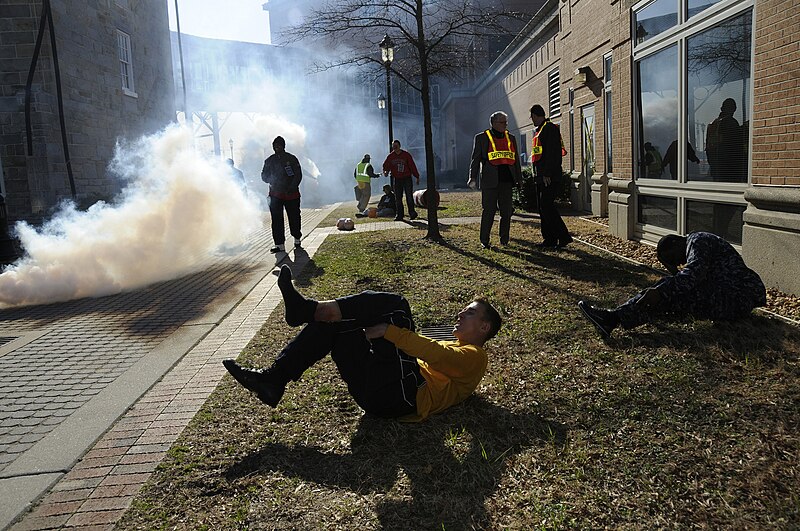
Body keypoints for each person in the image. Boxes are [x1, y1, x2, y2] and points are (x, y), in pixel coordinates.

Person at [223, 265, 502, 421]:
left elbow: (434, 353)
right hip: (377, 395)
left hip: (405, 398)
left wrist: (387, 330)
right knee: (332, 328)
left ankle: (309, 310)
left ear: (484, 327)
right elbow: (423, 349)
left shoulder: (477, 357)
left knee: (398, 306)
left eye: (471, 312)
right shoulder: (456, 347)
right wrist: (367, 331)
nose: (461, 314)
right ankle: (274, 380)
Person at [578, 232, 766, 339]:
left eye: (672, 258)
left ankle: (612, 318)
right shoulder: (696, 244)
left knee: (666, 291)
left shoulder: (697, 240)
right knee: (669, 295)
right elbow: (688, 282)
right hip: (729, 296)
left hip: (737, 296)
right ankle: (613, 318)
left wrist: (661, 291)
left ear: (677, 242)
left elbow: (693, 275)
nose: (676, 263)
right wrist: (669, 275)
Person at [467, 111, 523, 249]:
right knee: (488, 211)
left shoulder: (511, 138)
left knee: (506, 212)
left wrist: (519, 179)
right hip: (490, 181)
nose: (505, 125)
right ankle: (484, 240)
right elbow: (475, 160)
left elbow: (516, 161)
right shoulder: (482, 138)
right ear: (493, 123)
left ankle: (504, 239)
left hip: (507, 181)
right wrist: (472, 177)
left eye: (506, 122)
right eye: (502, 122)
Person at [529, 104, 573, 249]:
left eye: (532, 117)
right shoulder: (541, 129)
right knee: (543, 208)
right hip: (541, 176)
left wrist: (547, 173)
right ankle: (549, 239)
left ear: (536, 115)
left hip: (549, 176)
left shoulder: (550, 128)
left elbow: (553, 154)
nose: (532, 120)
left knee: (547, 206)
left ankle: (563, 236)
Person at [261, 136, 303, 253]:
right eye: (275, 145)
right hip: (275, 194)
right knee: (276, 220)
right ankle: (279, 245)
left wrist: (292, 187)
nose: (277, 147)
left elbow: (298, 175)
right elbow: (263, 176)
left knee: (294, 217)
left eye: (279, 145)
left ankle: (297, 239)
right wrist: (271, 180)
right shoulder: (269, 160)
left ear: (283, 146)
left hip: (292, 194)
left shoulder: (292, 159)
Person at [705, 98, 745, 182]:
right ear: (734, 109)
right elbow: (736, 145)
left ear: (721, 108)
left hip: (715, 166)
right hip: (729, 167)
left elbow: (708, 147)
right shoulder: (731, 123)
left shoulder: (712, 124)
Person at [382, 140, 420, 221]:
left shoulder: (406, 155)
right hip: (397, 179)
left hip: (407, 178)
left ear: (399, 146)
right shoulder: (390, 156)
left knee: (409, 196)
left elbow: (412, 166)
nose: (395, 148)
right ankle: (399, 215)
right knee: (398, 198)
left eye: (396, 146)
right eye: (393, 146)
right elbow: (386, 166)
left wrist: (417, 176)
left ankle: (412, 213)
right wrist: (385, 171)